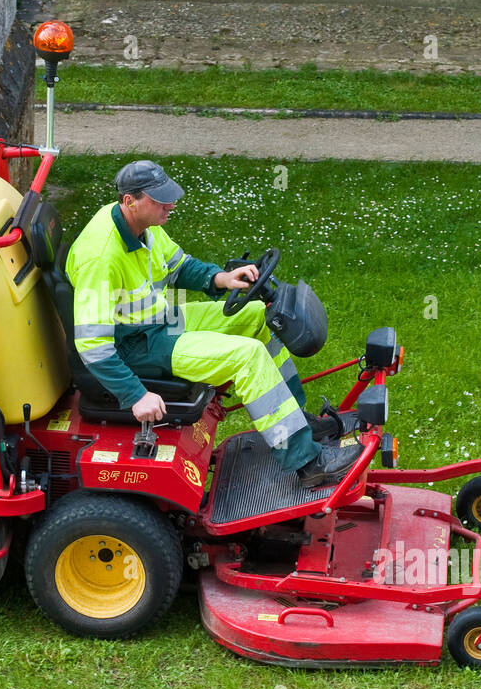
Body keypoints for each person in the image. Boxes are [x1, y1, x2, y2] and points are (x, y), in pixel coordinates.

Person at [65, 159, 360, 488]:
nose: (171, 204)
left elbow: (178, 266)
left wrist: (222, 278)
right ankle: (307, 462)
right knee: (248, 357)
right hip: (137, 346)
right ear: (130, 201)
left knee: (257, 317)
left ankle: (295, 419)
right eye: (161, 200)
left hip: (160, 321)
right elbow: (92, 345)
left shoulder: (141, 227)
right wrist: (135, 396)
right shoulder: (101, 257)